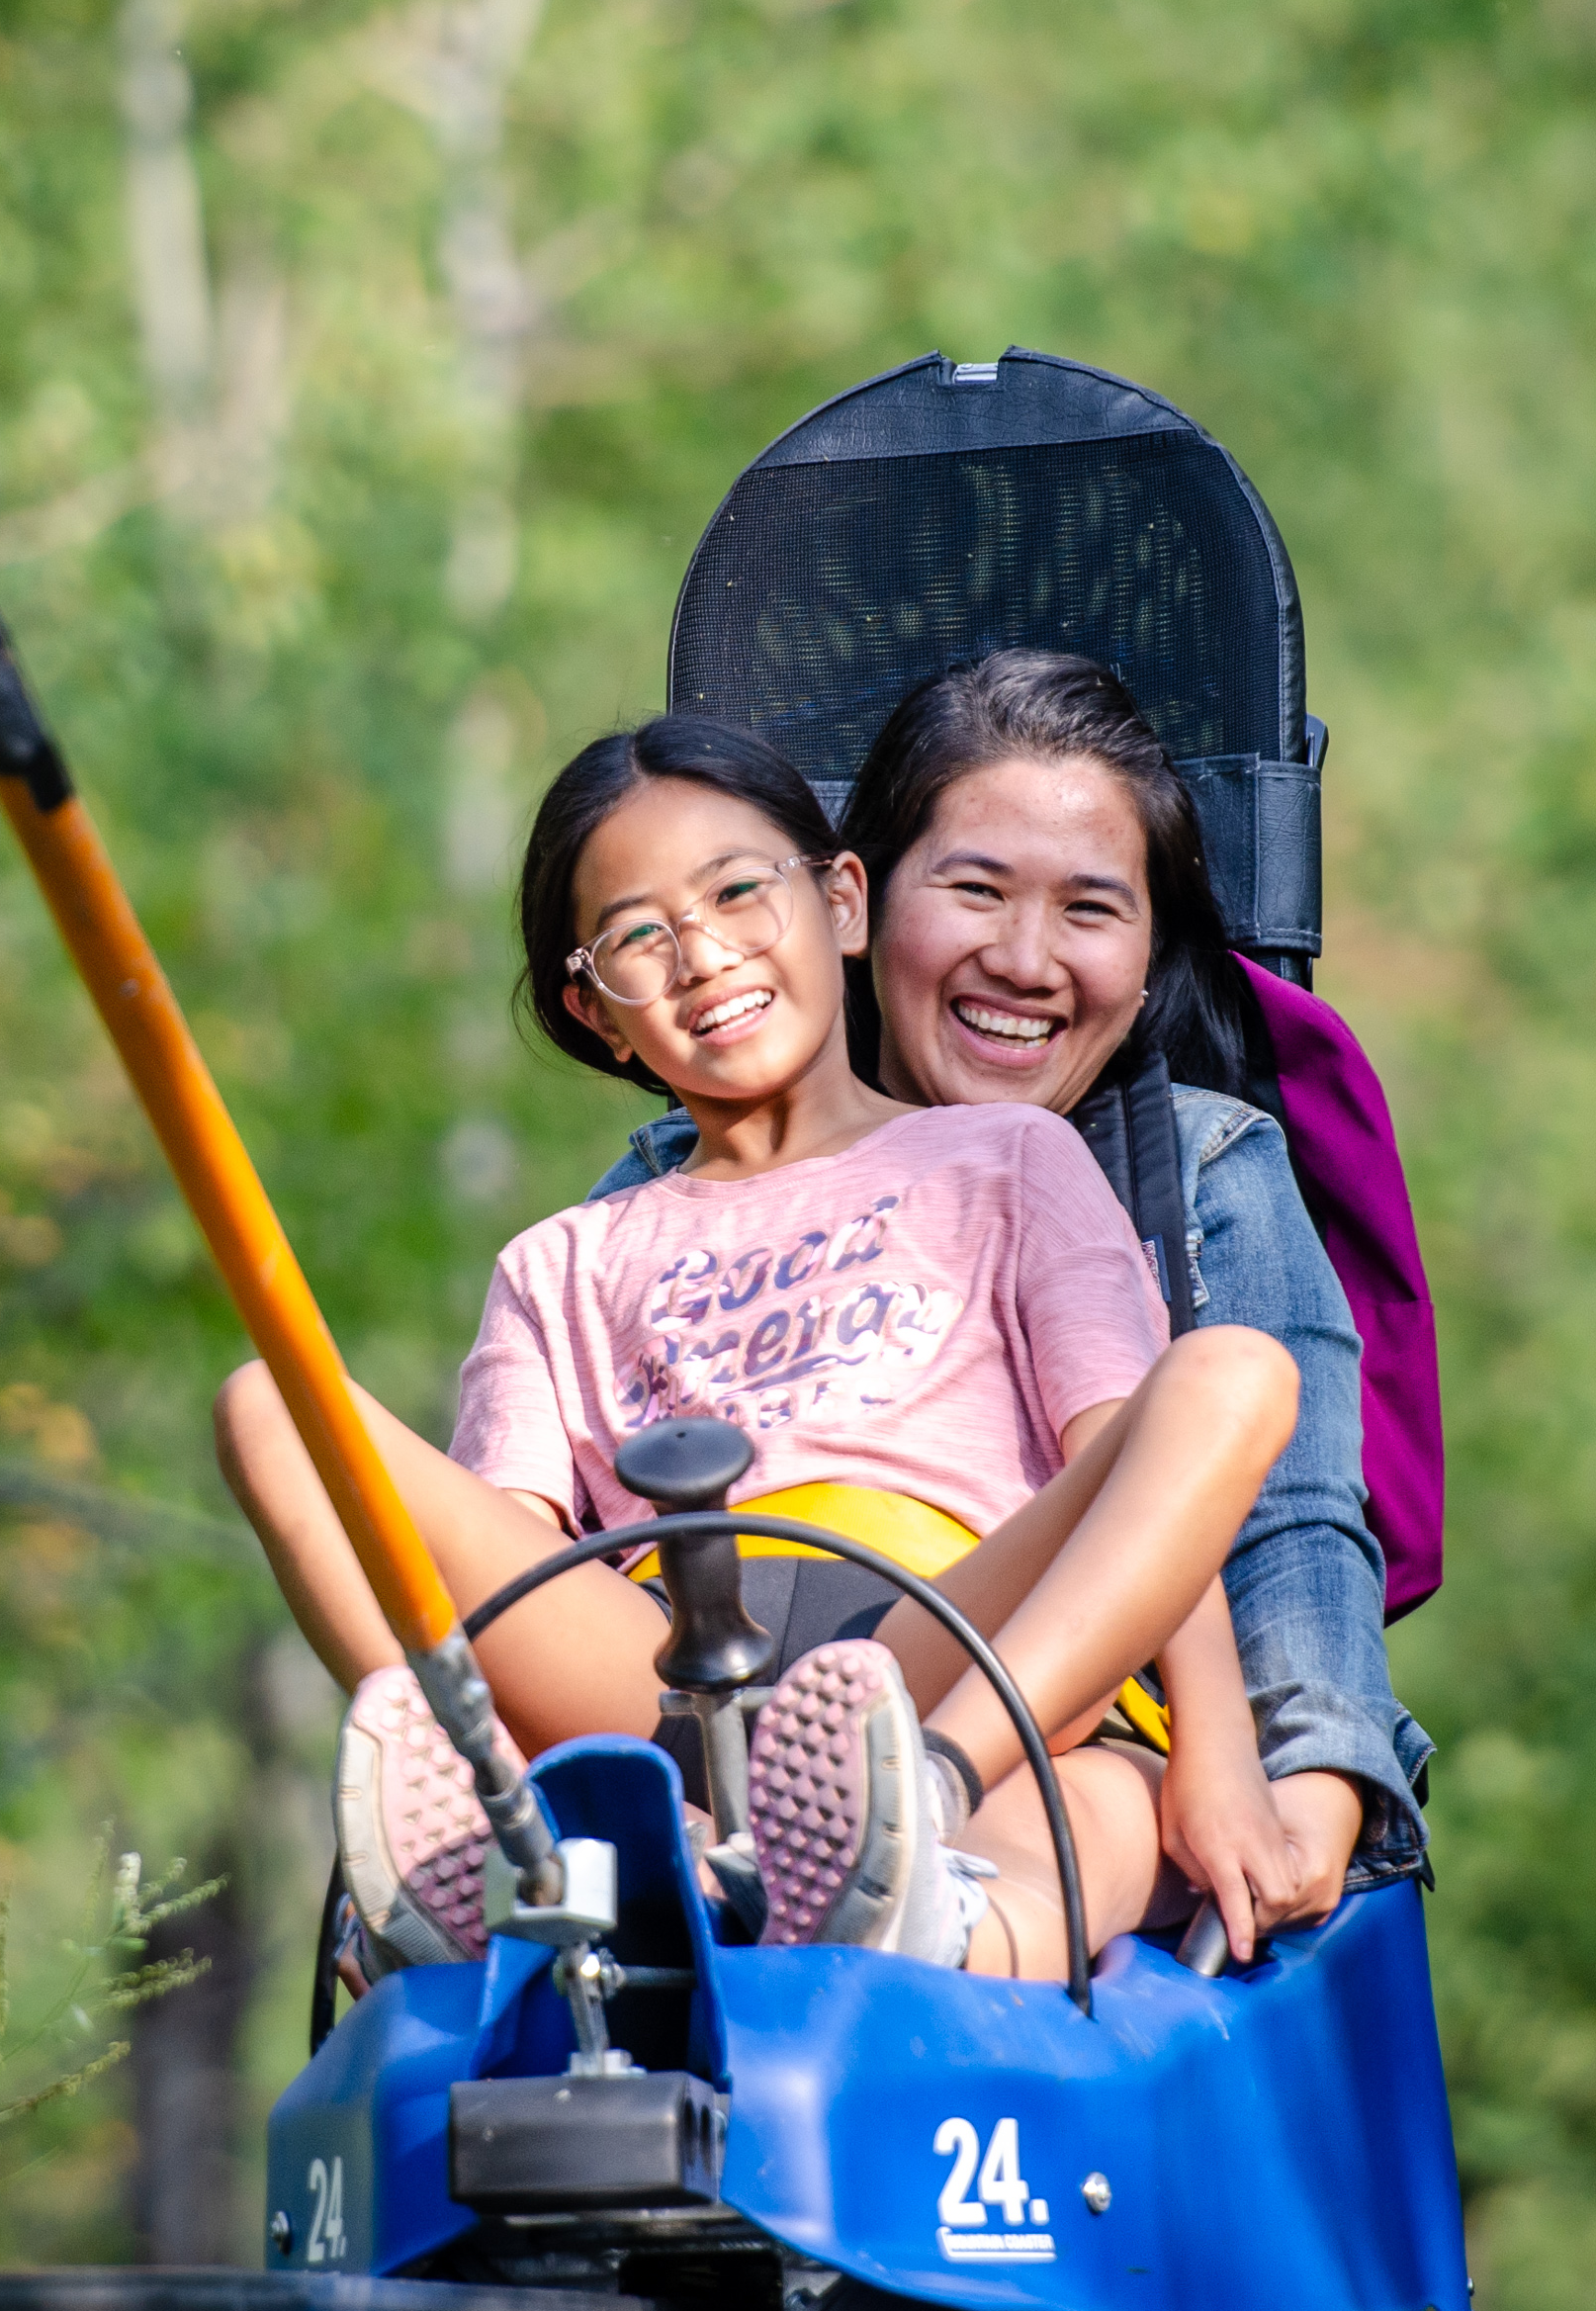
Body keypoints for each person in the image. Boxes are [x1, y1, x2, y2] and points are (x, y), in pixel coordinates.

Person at [216, 712, 1302, 1981]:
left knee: (1227, 1390)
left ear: (843, 903)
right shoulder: (563, 1261)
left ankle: (916, 1870)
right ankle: (517, 1840)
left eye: (740, 891)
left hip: (939, 1647)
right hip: (659, 1676)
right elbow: (488, 1570)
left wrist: (1218, 1754)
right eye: (638, 936)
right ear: (598, 1010)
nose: (704, 954)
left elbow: (1123, 1457)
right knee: (268, 1401)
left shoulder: (1007, 1158)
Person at [590, 652, 1431, 1931]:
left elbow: (1292, 1519)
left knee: (1075, 1820)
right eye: (975, 890)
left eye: (1091, 911)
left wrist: (1310, 1783)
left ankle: (923, 1875)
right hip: (703, 1713)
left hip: (1060, 1735)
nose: (1026, 960)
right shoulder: (659, 1191)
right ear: (856, 903)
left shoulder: (1201, 1172)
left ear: (1152, 957)